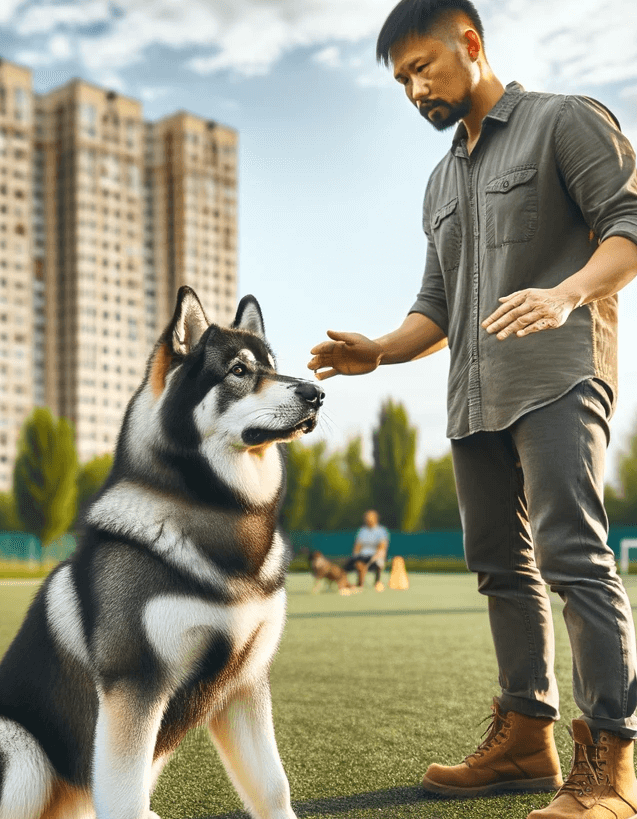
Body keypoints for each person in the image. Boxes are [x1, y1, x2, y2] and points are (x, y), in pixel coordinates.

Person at [307, 2, 637, 817]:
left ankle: (611, 762)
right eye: (400, 81)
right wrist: (379, 350)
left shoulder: (564, 121)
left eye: (422, 67)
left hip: (558, 375)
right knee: (498, 565)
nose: (414, 88)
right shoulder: (440, 179)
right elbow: (437, 305)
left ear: (470, 44)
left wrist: (565, 295)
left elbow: (628, 224)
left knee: (571, 554)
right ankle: (526, 736)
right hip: (472, 398)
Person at [345, 510, 388, 591]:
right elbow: (357, 546)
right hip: (362, 556)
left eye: (370, 518)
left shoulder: (381, 531)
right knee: (352, 564)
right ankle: (350, 583)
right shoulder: (362, 531)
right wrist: (355, 556)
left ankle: (376, 582)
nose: (367, 519)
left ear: (375, 519)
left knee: (377, 563)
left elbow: (382, 547)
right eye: (366, 518)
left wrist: (376, 556)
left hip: (375, 556)